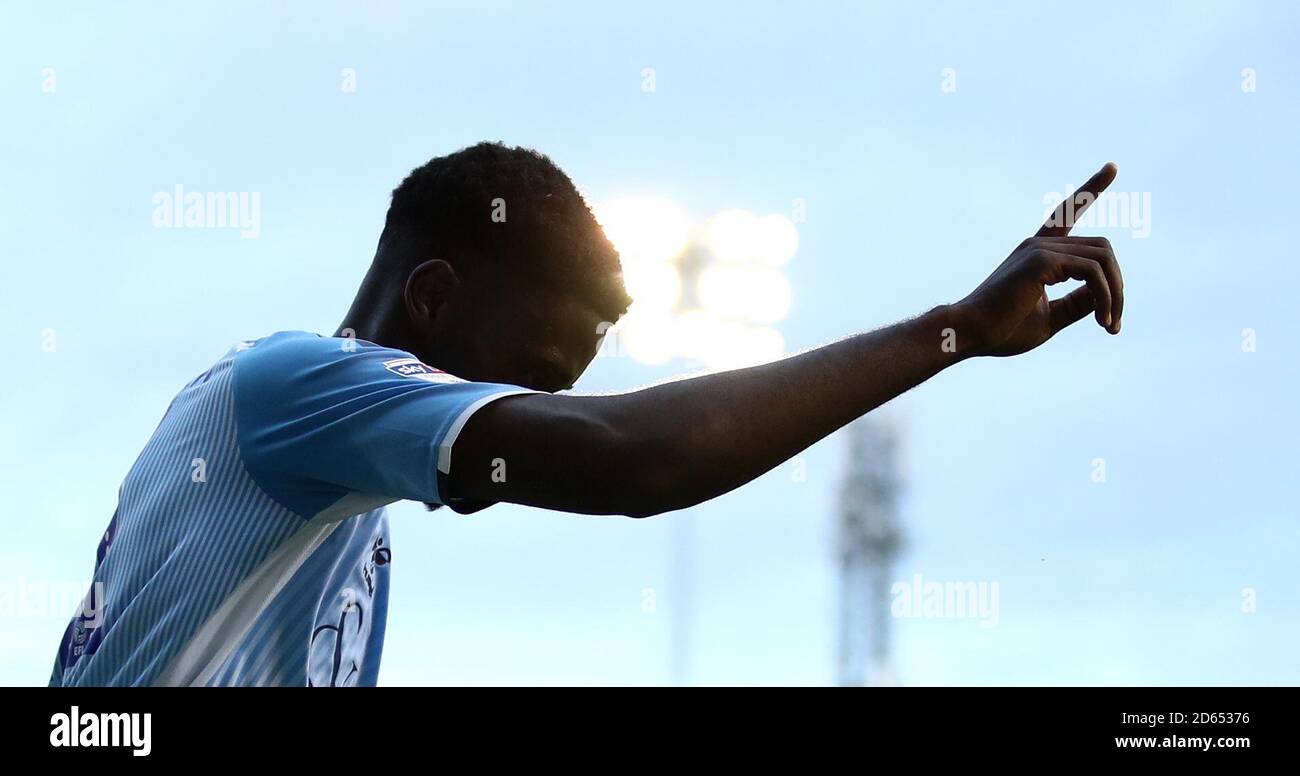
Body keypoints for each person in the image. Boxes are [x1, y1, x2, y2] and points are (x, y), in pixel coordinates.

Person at [50, 142, 1123, 686]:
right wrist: (951, 331)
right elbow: (631, 462)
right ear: (432, 297)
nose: (536, 412)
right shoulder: (293, 385)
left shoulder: (338, 512)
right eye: (529, 374)